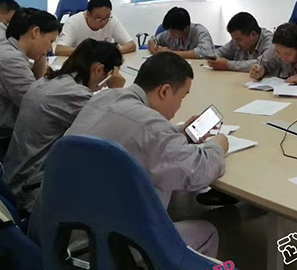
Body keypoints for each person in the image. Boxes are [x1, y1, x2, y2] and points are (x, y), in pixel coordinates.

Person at [64, 52, 228, 257]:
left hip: (64, 231)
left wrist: (178, 133)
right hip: (113, 246)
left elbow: (135, 134)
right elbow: (198, 172)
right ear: (165, 91)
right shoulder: (153, 129)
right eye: (182, 96)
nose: (179, 106)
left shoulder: (104, 98)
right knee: (207, 232)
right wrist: (218, 146)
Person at [4, 39, 125, 212]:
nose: (104, 85)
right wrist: (116, 91)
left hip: (15, 175)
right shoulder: (75, 95)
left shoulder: (50, 80)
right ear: (98, 69)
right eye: (106, 79)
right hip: (30, 190)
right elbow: (115, 128)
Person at [0, 8, 60, 148]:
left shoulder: (5, 47)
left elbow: (36, 89)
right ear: (35, 32)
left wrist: (41, 55)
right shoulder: (11, 61)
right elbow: (37, 105)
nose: (50, 49)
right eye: (50, 41)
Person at [54, 0, 136, 56]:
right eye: (98, 18)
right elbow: (60, 50)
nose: (103, 22)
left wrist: (112, 52)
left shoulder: (112, 20)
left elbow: (131, 45)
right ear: (88, 14)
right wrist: (89, 52)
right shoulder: (73, 22)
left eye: (107, 17)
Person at [209, 12, 273, 72]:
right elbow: (218, 52)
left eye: (238, 39)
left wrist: (228, 65)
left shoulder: (271, 42)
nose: (236, 44)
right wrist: (214, 60)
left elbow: (261, 64)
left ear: (253, 34)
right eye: (234, 40)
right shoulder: (236, 41)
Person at [148, 7, 215, 59]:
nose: (171, 34)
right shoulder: (170, 33)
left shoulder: (200, 32)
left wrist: (171, 53)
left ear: (186, 28)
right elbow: (153, 40)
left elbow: (204, 52)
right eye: (169, 31)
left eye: (173, 32)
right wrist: (153, 47)